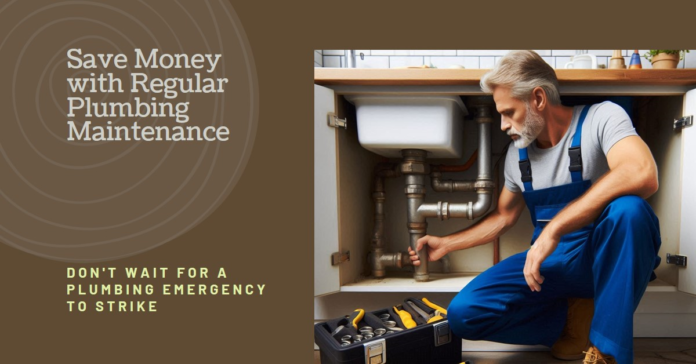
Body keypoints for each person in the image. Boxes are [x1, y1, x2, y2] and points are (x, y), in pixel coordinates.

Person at [408, 50, 661, 364]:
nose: (503, 125)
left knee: (630, 210)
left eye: (509, 112)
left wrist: (555, 228)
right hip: (547, 267)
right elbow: (503, 215)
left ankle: (605, 351)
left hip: (602, 260)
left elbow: (641, 173)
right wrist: (446, 244)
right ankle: (572, 321)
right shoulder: (518, 156)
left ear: (538, 98)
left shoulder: (601, 118)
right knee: (463, 315)